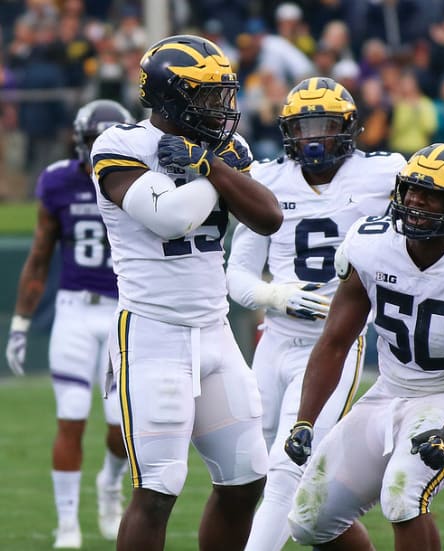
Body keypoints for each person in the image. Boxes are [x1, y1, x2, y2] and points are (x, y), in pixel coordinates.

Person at [284, 143, 444, 550]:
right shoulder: (370, 245)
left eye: (431, 194)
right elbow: (334, 342)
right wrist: (305, 420)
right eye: (411, 189)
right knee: (310, 521)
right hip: (389, 391)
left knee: (403, 496)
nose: (415, 201)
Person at [89, 34, 283, 551]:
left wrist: (208, 164)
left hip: (214, 331)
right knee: (158, 489)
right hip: (152, 334)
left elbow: (269, 217)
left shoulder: (223, 150)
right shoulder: (118, 145)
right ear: (169, 96)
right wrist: (215, 174)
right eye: (206, 95)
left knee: (247, 479)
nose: (221, 107)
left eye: (224, 94)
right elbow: (170, 218)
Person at [226, 76, 406, 551]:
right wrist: (277, 295)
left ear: (347, 128)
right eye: (303, 127)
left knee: (288, 468)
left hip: (334, 344)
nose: (313, 138)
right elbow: (238, 278)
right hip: (275, 340)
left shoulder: (385, 175)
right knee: (256, 471)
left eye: (324, 126)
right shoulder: (267, 179)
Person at [5, 99, 135, 548]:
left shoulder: (139, 180)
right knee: (72, 415)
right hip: (75, 311)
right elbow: (40, 256)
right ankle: (66, 524)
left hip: (122, 311)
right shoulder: (58, 181)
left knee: (123, 427)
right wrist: (21, 322)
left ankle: (110, 485)